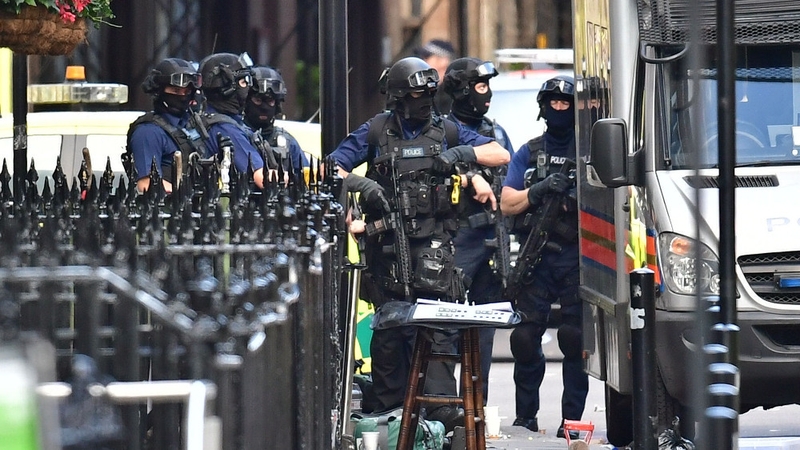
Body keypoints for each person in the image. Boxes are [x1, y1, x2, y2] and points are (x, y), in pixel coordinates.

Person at [329, 56, 510, 431]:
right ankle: (388, 415)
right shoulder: (376, 131)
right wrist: (360, 185)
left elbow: (500, 153)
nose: (424, 100)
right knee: (390, 332)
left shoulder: (446, 131)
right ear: (397, 96)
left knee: (436, 330)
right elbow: (332, 167)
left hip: (434, 252)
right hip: (387, 250)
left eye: (429, 93)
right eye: (416, 94)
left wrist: (463, 155)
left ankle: (439, 415)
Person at [500, 75, 588, 439]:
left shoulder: (589, 151)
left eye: (565, 103)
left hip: (576, 258)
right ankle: (526, 417)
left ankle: (571, 422)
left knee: (573, 339)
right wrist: (537, 190)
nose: (559, 108)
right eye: (552, 102)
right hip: (538, 257)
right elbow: (507, 203)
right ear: (543, 106)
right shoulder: (529, 151)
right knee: (523, 338)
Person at [441, 57, 514, 403]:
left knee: (485, 327)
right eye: (481, 87)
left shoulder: (496, 132)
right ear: (461, 90)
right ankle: (441, 409)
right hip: (456, 239)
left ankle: (474, 410)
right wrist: (469, 176)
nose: (487, 95)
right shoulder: (442, 130)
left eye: (488, 87)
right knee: (446, 327)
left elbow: (512, 180)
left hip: (491, 238)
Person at [126, 57, 204, 192]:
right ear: (159, 91)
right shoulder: (148, 132)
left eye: (186, 92)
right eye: (175, 91)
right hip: (168, 208)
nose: (182, 97)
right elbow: (147, 184)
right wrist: (183, 195)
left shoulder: (190, 124)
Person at [198, 52, 274, 189]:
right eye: (243, 82)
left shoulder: (211, 121)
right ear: (226, 88)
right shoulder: (226, 129)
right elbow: (264, 179)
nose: (248, 88)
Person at [243, 66, 309, 173]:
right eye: (258, 100)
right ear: (246, 102)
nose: (264, 107)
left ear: (277, 104)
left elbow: (306, 178)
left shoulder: (288, 143)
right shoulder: (237, 137)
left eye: (270, 101)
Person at [414, 39, 456, 115]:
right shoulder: (420, 88)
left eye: (427, 57)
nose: (424, 61)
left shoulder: (452, 93)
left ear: (444, 61)